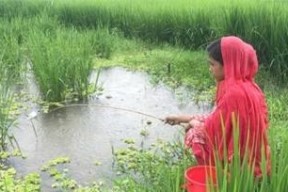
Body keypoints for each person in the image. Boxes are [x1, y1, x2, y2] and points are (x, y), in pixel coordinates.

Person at [165, 36, 271, 177]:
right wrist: (181, 118)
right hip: (257, 159)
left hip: (241, 166)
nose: (210, 69)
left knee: (195, 135)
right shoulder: (249, 86)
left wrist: (191, 123)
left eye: (213, 64)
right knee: (195, 126)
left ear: (228, 64)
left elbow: (210, 130)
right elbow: (217, 118)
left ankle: (220, 173)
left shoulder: (234, 94)